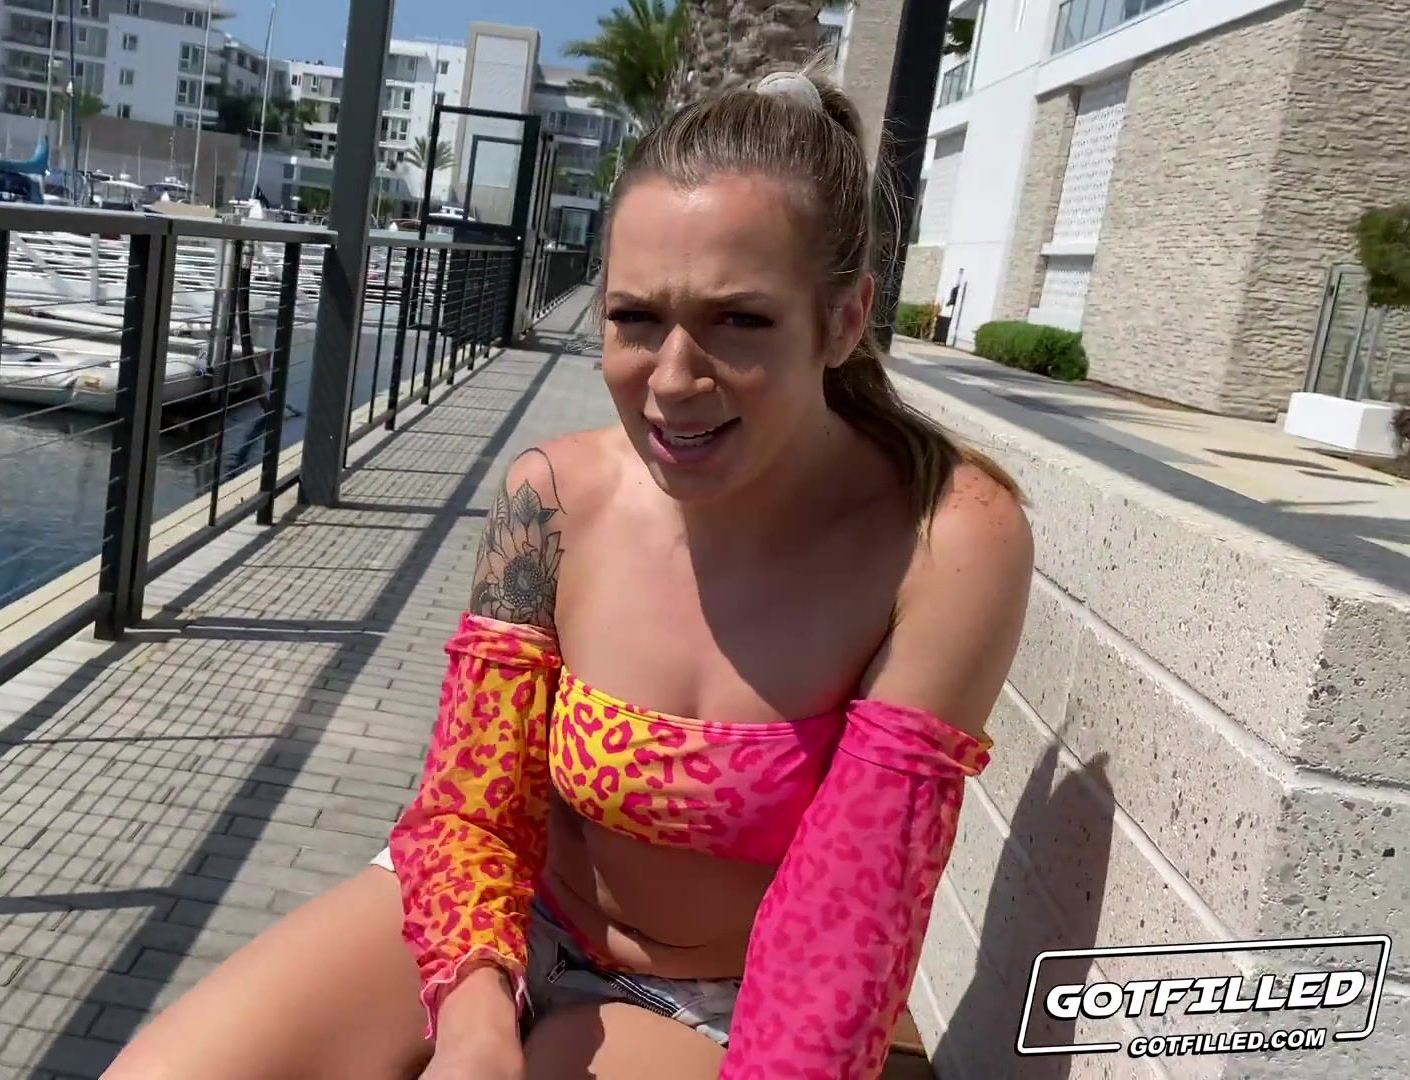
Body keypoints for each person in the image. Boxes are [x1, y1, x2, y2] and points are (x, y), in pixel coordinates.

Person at [104, 63, 1033, 1080]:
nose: (673, 379)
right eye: (636, 318)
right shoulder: (552, 498)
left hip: (726, 1003)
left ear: (845, 320)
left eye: (740, 320)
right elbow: (470, 808)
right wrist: (473, 1019)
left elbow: (846, 931)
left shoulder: (943, 540)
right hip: (504, 919)